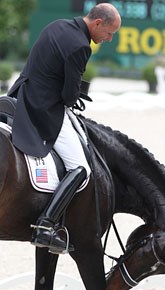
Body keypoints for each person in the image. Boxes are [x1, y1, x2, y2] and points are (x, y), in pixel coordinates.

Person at [8, 3, 121, 254]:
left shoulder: (56, 25)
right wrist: (76, 95)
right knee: (81, 167)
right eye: (110, 33)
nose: (110, 39)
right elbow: (69, 97)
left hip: (19, 97)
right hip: (43, 109)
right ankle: (45, 224)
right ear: (98, 23)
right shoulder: (81, 46)